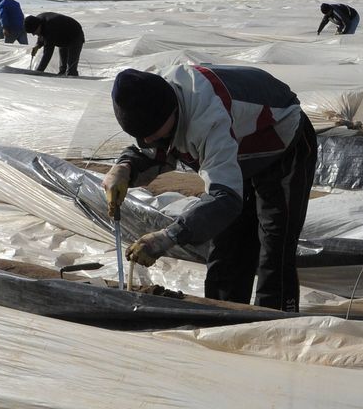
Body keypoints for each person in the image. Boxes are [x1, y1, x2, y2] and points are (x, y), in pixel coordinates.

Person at [102, 65, 318, 312]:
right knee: (227, 245)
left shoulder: (209, 118)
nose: (149, 141)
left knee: (274, 244)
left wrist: (168, 237)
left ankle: (276, 321)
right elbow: (153, 151)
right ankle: (222, 314)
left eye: (151, 133)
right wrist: (125, 167)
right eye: (142, 137)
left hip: (280, 143)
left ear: (172, 111)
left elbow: (225, 199)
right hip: (235, 145)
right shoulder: (152, 97)